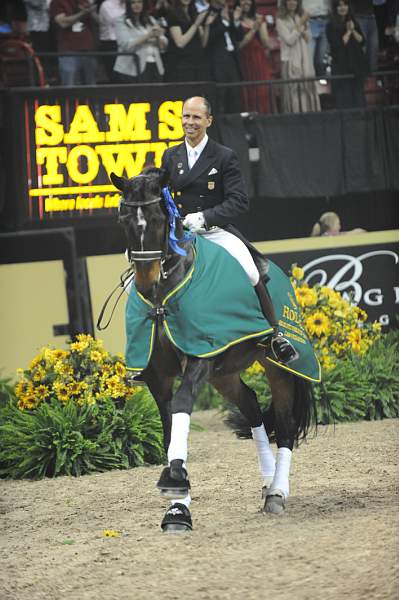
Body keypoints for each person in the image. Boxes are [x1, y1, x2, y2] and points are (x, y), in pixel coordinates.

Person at [161, 95, 298, 364]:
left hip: (214, 230)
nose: (190, 122)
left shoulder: (224, 156)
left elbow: (239, 201)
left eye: (196, 117)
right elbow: (163, 195)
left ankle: (275, 335)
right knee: (138, 279)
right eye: (186, 116)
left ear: (208, 121)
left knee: (250, 270)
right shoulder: (170, 155)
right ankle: (146, 348)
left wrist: (204, 217)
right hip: (180, 233)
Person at [276, 0, 321, 113]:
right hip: (290, 59)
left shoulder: (301, 16)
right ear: (285, 2)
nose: (292, 2)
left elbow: (308, 38)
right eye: (289, 0)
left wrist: (303, 27)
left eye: (295, 0)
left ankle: (311, 114)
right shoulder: (280, 20)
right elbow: (290, 40)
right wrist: (300, 24)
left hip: (305, 58)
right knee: (294, 90)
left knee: (307, 88)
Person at [113, 0, 168, 83]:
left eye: (139, 2)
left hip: (155, 64)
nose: (137, 5)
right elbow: (125, 45)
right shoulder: (121, 21)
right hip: (132, 67)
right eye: (133, 3)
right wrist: (148, 36)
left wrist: (158, 37)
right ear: (128, 5)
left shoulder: (150, 19)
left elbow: (164, 45)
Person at [204, 0, 243, 113]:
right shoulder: (207, 14)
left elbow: (239, 36)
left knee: (235, 93)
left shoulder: (229, 13)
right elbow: (209, 38)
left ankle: (235, 125)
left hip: (232, 59)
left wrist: (235, 20)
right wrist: (225, 23)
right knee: (221, 95)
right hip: (218, 61)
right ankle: (222, 127)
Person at [326, 0, 367, 108]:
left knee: (359, 95)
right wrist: (348, 32)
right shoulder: (330, 25)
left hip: (356, 64)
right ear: (335, 8)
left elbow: (362, 41)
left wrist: (353, 30)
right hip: (341, 66)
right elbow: (338, 44)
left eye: (345, 5)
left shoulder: (353, 21)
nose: (342, 8)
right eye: (339, 6)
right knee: (345, 97)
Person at [235, 0, 274, 113]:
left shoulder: (257, 18)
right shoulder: (235, 19)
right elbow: (239, 44)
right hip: (245, 58)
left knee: (262, 88)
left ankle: (265, 115)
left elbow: (265, 41)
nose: (246, 2)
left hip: (258, 57)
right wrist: (253, 29)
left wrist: (261, 25)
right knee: (249, 90)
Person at [50, 0, 98, 85]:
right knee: (70, 86)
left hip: (88, 49)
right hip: (69, 50)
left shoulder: (84, 1)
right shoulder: (57, 2)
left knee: (91, 86)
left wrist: (92, 12)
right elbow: (63, 23)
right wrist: (82, 13)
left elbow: (99, 22)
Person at [163, 0, 209, 82]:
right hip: (181, 65)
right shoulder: (173, 14)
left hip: (198, 62)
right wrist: (196, 24)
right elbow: (180, 43)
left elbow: (203, 44)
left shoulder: (194, 14)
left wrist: (206, 25)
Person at [302, 0, 331, 76]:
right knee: (309, 58)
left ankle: (320, 80)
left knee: (322, 57)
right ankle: (311, 84)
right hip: (309, 20)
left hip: (326, 19)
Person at [98, 0, 125, 82]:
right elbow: (115, 20)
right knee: (115, 76)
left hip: (125, 42)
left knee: (126, 75)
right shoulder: (107, 4)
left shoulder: (128, 4)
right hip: (111, 43)